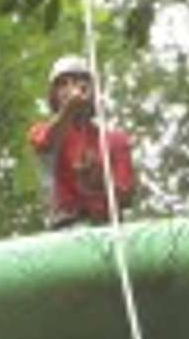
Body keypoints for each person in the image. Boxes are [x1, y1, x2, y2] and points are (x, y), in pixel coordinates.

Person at [28, 54, 136, 230]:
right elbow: (46, 142)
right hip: (64, 227)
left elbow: (126, 194)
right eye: (63, 83)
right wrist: (69, 110)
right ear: (53, 95)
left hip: (108, 227)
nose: (71, 89)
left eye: (79, 82)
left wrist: (97, 180)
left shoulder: (115, 140)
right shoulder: (42, 131)